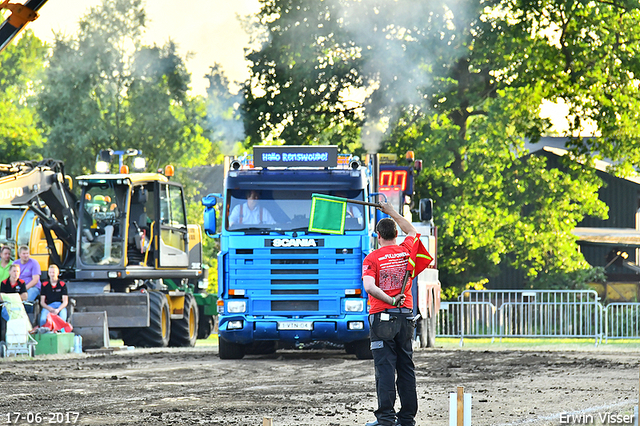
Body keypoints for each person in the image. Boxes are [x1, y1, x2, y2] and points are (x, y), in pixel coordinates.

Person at [362, 200, 418, 426]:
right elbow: (412, 230)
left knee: (385, 369)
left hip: (382, 317)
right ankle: (407, 420)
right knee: (406, 367)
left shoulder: (373, 258)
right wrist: (391, 211)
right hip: (406, 317)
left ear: (378, 235)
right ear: (396, 233)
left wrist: (389, 299)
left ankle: (385, 419)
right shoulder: (407, 250)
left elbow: (369, 287)